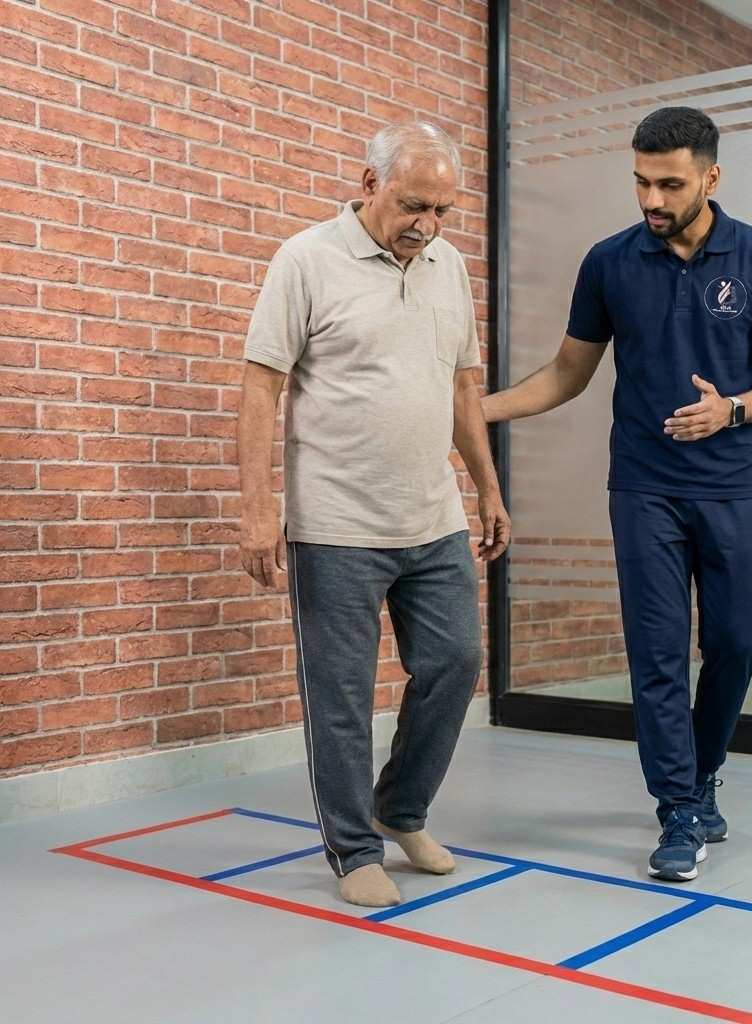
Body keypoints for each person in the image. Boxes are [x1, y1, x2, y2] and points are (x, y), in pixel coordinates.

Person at [482, 107, 752, 881]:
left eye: (669, 183)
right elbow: (568, 373)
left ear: (710, 178)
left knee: (734, 641)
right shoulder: (609, 263)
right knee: (657, 654)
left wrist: (730, 409)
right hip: (643, 487)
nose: (651, 199)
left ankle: (700, 775)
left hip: (732, 486)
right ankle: (679, 809)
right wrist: (476, 409)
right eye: (640, 182)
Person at [237, 122, 510, 909]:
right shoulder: (306, 259)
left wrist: (485, 488)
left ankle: (400, 809)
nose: (426, 224)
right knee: (342, 695)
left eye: (443, 210)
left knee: (457, 664)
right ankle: (353, 846)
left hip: (433, 516)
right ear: (368, 183)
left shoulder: (449, 267)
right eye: (412, 203)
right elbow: (261, 387)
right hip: (336, 524)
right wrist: (259, 511)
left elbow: (463, 387)